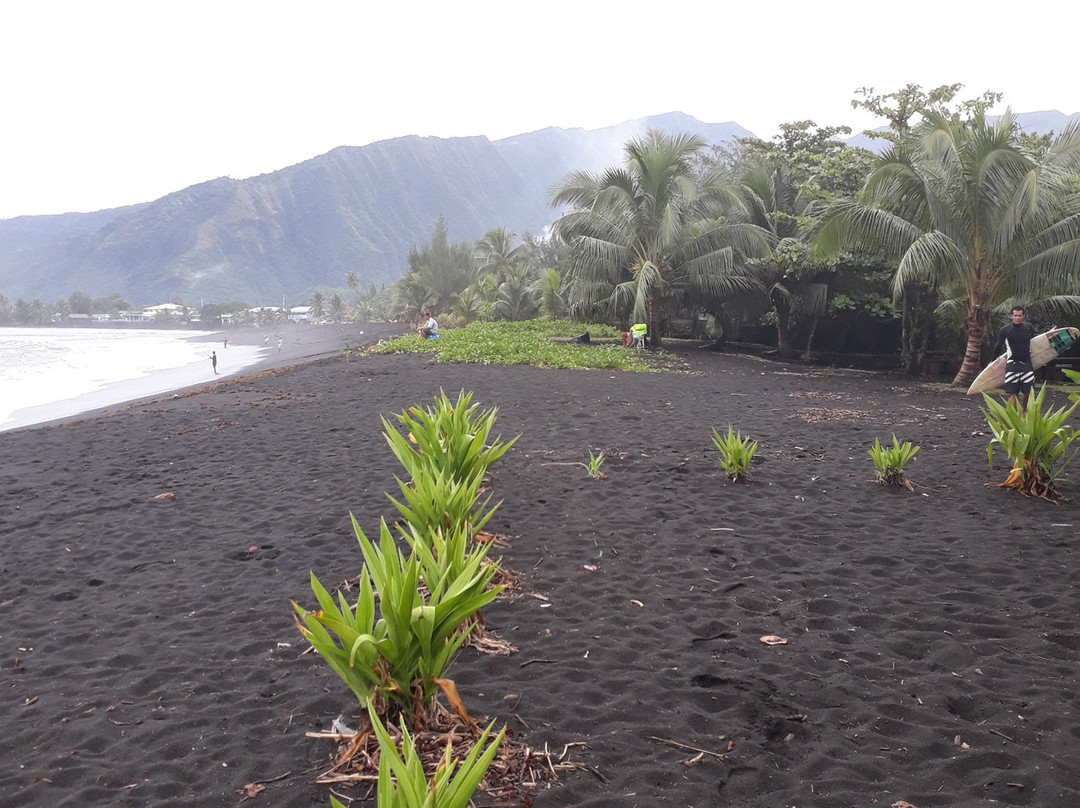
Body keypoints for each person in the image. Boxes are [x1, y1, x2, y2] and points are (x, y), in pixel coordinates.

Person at [993, 305, 1037, 415]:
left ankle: (1022, 412)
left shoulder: (1029, 328)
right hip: (1012, 363)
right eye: (1015, 315)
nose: (1017, 318)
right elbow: (998, 345)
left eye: (1019, 315)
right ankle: (1013, 415)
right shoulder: (1005, 330)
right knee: (1012, 391)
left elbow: (1036, 342)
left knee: (1028, 391)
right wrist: (992, 361)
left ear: (1023, 316)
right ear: (1011, 316)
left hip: (1026, 363)